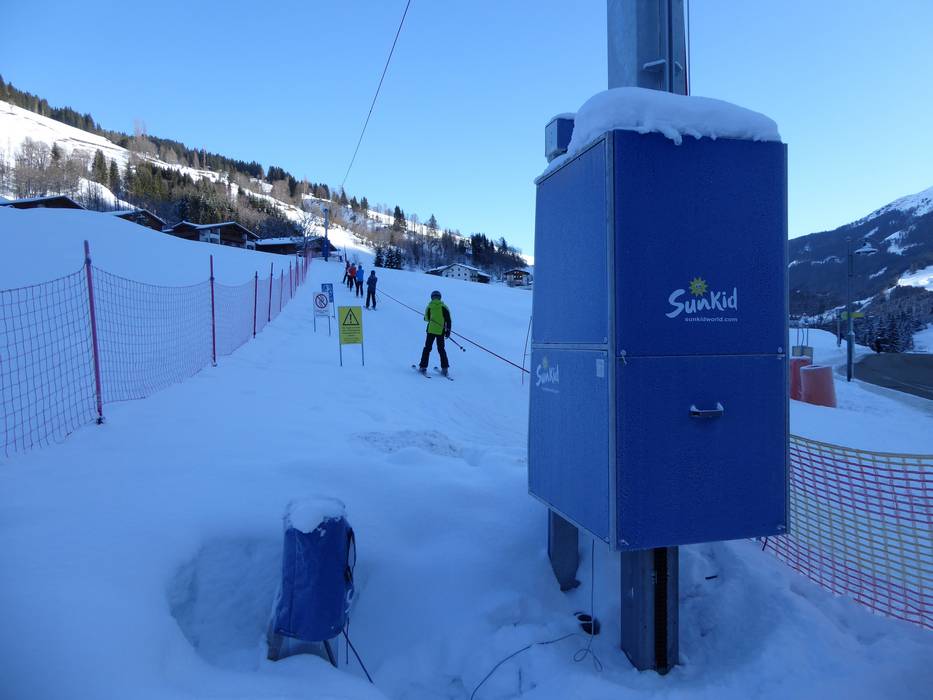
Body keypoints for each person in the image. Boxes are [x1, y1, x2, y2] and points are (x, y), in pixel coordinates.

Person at [418, 290, 451, 375]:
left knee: (427, 348)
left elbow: (426, 319)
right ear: (440, 297)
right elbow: (448, 320)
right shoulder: (444, 307)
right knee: (441, 349)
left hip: (431, 331)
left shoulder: (429, 306)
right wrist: (448, 331)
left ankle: (423, 367)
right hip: (440, 331)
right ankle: (445, 369)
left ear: (432, 297)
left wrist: (428, 318)